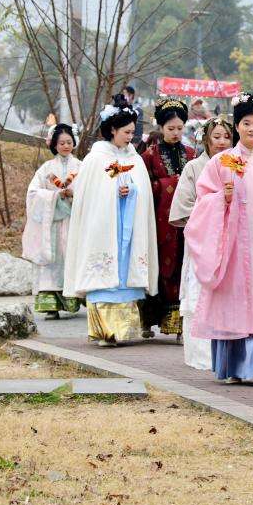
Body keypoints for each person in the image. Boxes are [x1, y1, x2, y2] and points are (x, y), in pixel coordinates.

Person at [187, 94, 253, 386]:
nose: (252, 129)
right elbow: (202, 202)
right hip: (233, 246)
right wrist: (222, 199)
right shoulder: (221, 162)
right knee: (237, 303)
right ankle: (235, 365)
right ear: (237, 127)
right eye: (246, 124)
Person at [64, 104, 159, 345]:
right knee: (103, 274)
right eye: (126, 132)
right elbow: (89, 195)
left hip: (128, 229)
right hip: (104, 228)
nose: (130, 137)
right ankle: (104, 331)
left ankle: (123, 330)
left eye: (132, 132)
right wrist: (115, 190)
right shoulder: (96, 159)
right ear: (113, 130)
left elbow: (143, 192)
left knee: (125, 276)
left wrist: (132, 190)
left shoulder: (133, 158)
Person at [170, 117, 235, 371]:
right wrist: (214, 208)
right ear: (206, 138)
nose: (221, 142)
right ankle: (201, 354)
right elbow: (183, 206)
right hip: (202, 241)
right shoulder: (194, 168)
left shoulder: (239, 165)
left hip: (232, 241)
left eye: (226, 137)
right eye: (216, 136)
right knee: (200, 292)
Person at [139, 98, 196, 338]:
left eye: (179, 128)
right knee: (161, 266)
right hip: (159, 221)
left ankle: (180, 323)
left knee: (182, 265)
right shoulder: (149, 155)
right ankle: (149, 320)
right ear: (161, 128)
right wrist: (168, 184)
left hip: (185, 221)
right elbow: (143, 186)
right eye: (170, 129)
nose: (175, 133)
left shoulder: (191, 153)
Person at [22, 124, 83, 318]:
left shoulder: (81, 167)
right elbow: (32, 193)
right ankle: (51, 304)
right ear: (54, 145)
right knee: (53, 260)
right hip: (53, 223)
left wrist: (75, 194)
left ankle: (73, 297)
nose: (65, 146)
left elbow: (91, 190)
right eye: (61, 143)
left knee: (72, 257)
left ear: (74, 143)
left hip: (74, 221)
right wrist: (54, 196)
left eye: (69, 142)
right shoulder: (46, 169)